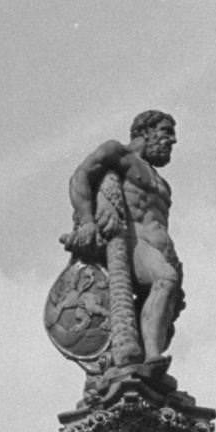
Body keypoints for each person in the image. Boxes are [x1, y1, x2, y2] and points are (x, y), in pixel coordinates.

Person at [63, 110, 183, 362]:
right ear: (145, 132)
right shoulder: (118, 154)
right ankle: (152, 354)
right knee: (165, 278)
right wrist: (86, 221)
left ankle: (148, 357)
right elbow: (80, 176)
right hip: (135, 244)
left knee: (166, 286)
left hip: (162, 251)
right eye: (166, 132)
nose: (172, 141)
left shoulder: (162, 183)